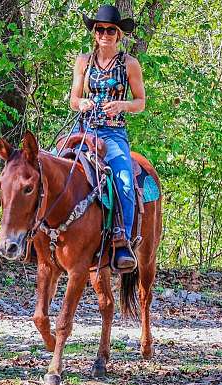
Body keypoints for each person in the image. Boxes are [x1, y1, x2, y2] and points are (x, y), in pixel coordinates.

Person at [69, 5, 145, 271]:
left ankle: (121, 240)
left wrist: (122, 105)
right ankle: (43, 234)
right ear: (94, 32)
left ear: (118, 34)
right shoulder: (83, 61)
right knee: (51, 168)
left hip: (112, 133)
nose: (105, 34)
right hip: (84, 130)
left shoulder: (129, 64)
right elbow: (73, 99)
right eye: (99, 29)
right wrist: (82, 104)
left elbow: (141, 102)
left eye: (110, 30)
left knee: (124, 179)